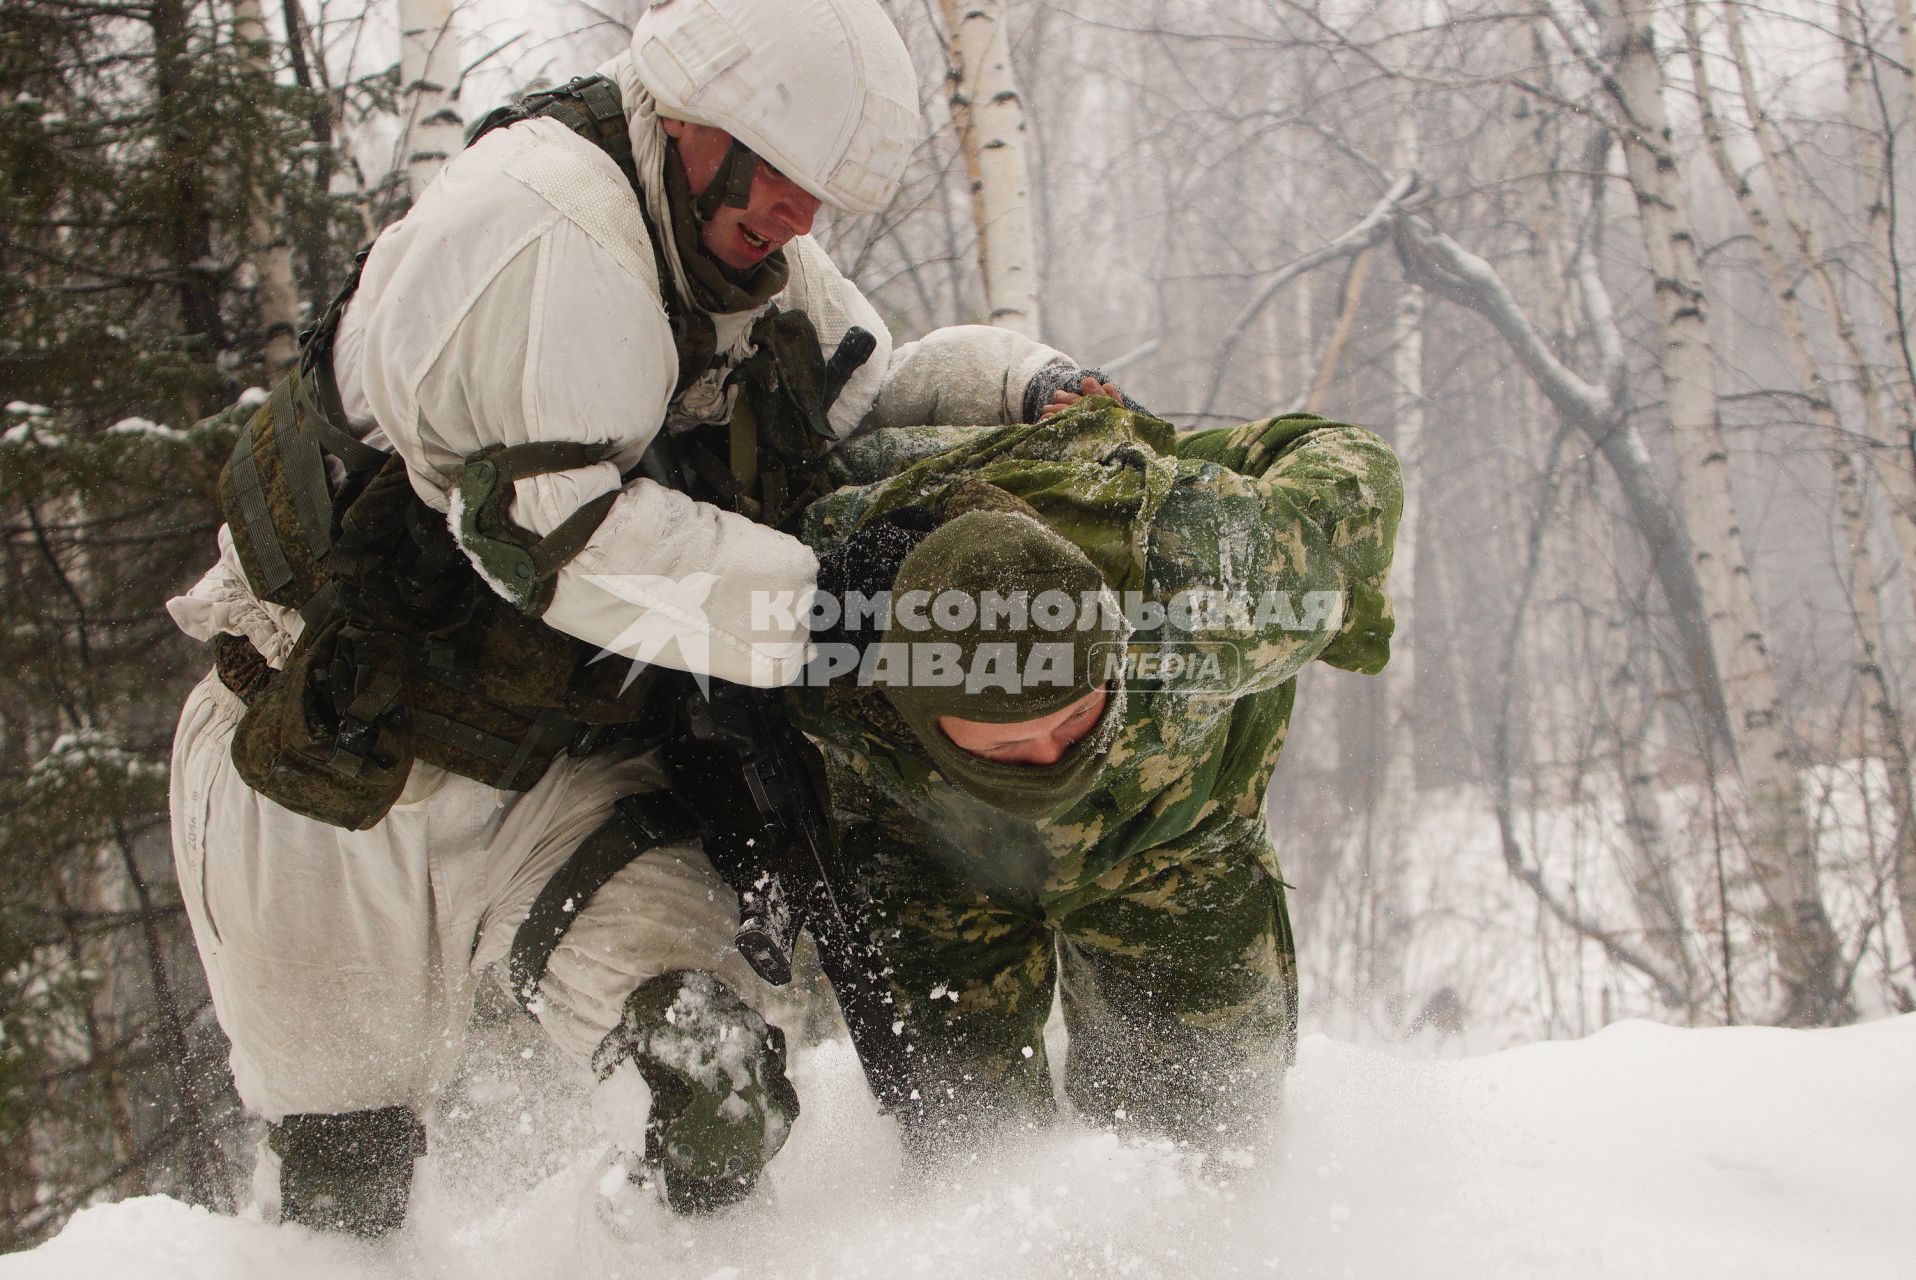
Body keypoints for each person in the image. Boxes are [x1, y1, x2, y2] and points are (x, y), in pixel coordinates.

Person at [165, 0, 1122, 1237]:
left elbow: (864, 400)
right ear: (692, 114)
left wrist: (1020, 384)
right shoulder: (541, 227)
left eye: (816, 190)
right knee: (339, 1192)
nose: (799, 216)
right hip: (329, 769)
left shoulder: (728, 242)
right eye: (783, 176)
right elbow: (556, 540)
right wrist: (836, 612)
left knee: (711, 1090)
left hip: (556, 777)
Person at [790, 396, 1402, 1158]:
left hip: (1169, 843)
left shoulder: (1210, 578)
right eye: (1008, 746)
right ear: (904, 705)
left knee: (1203, 1143)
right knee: (965, 1147)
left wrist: (1183, 459)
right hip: (934, 860)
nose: (1051, 761)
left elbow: (1347, 463)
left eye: (1076, 719)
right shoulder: (801, 647)